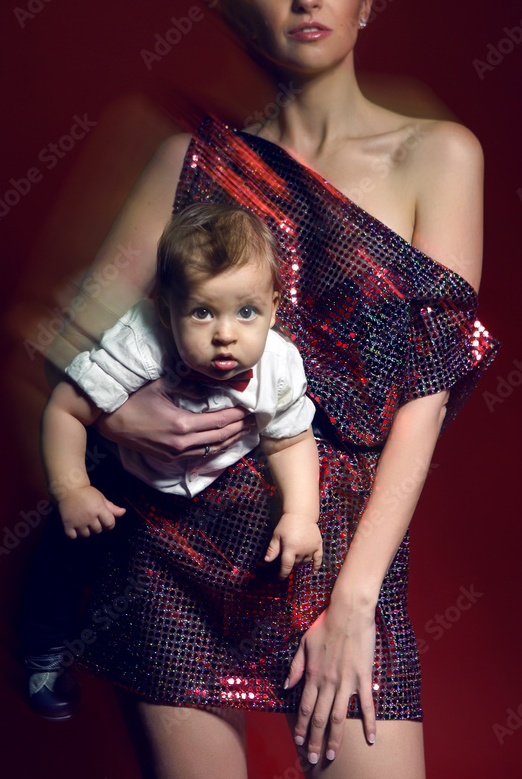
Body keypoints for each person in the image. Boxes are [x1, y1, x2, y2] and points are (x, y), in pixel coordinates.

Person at [34, 0, 500, 779]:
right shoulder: (189, 160)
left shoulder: (438, 156)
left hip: (334, 555)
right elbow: (68, 342)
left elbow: (426, 393)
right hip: (169, 560)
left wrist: (355, 598)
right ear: (235, 1)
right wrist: (118, 418)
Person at [41, 202, 321, 585]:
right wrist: (72, 489)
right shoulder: (140, 345)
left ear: (273, 310)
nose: (225, 335)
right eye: (203, 313)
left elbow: (290, 442)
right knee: (67, 558)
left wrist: (302, 516)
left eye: (246, 312)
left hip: (220, 495)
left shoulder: (279, 365)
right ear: (166, 312)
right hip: (128, 480)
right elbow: (65, 410)